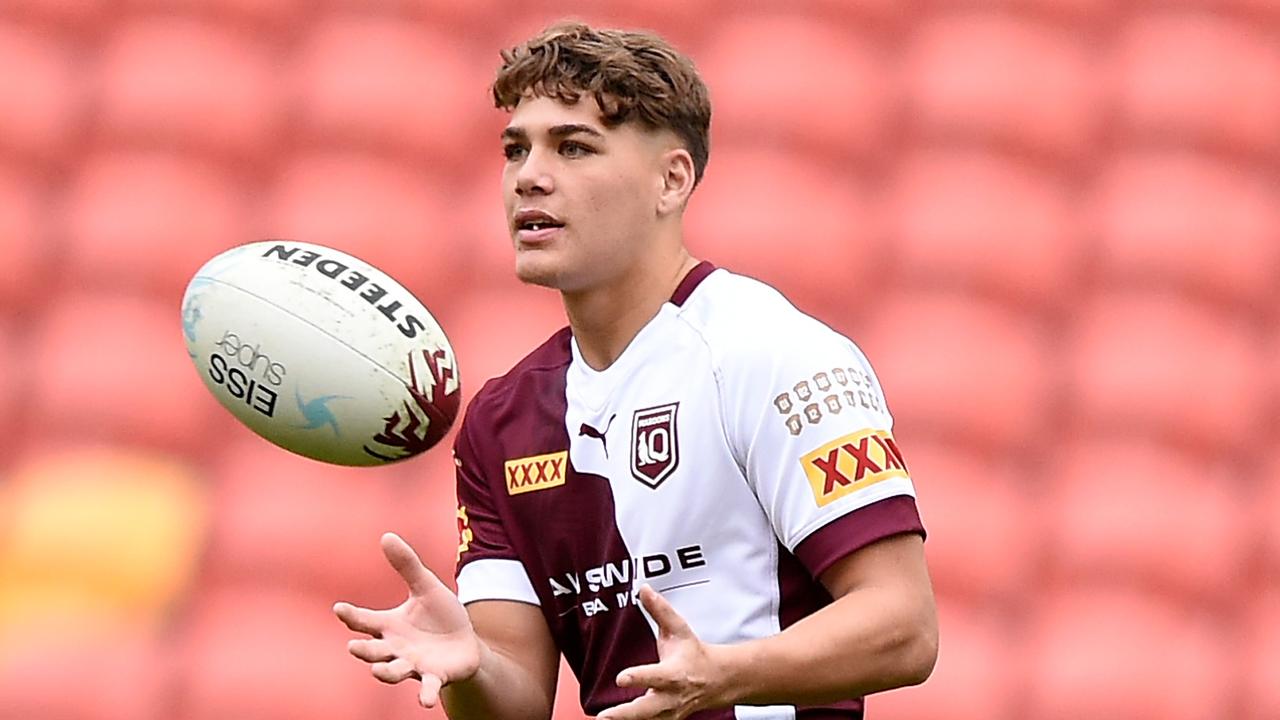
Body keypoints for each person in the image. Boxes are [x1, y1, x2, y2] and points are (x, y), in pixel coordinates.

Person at [334, 21, 938, 720]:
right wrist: (468, 667)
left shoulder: (772, 354)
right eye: (515, 148)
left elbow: (905, 629)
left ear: (671, 180)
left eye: (574, 146)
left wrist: (726, 674)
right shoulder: (503, 421)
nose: (529, 174)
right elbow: (519, 700)